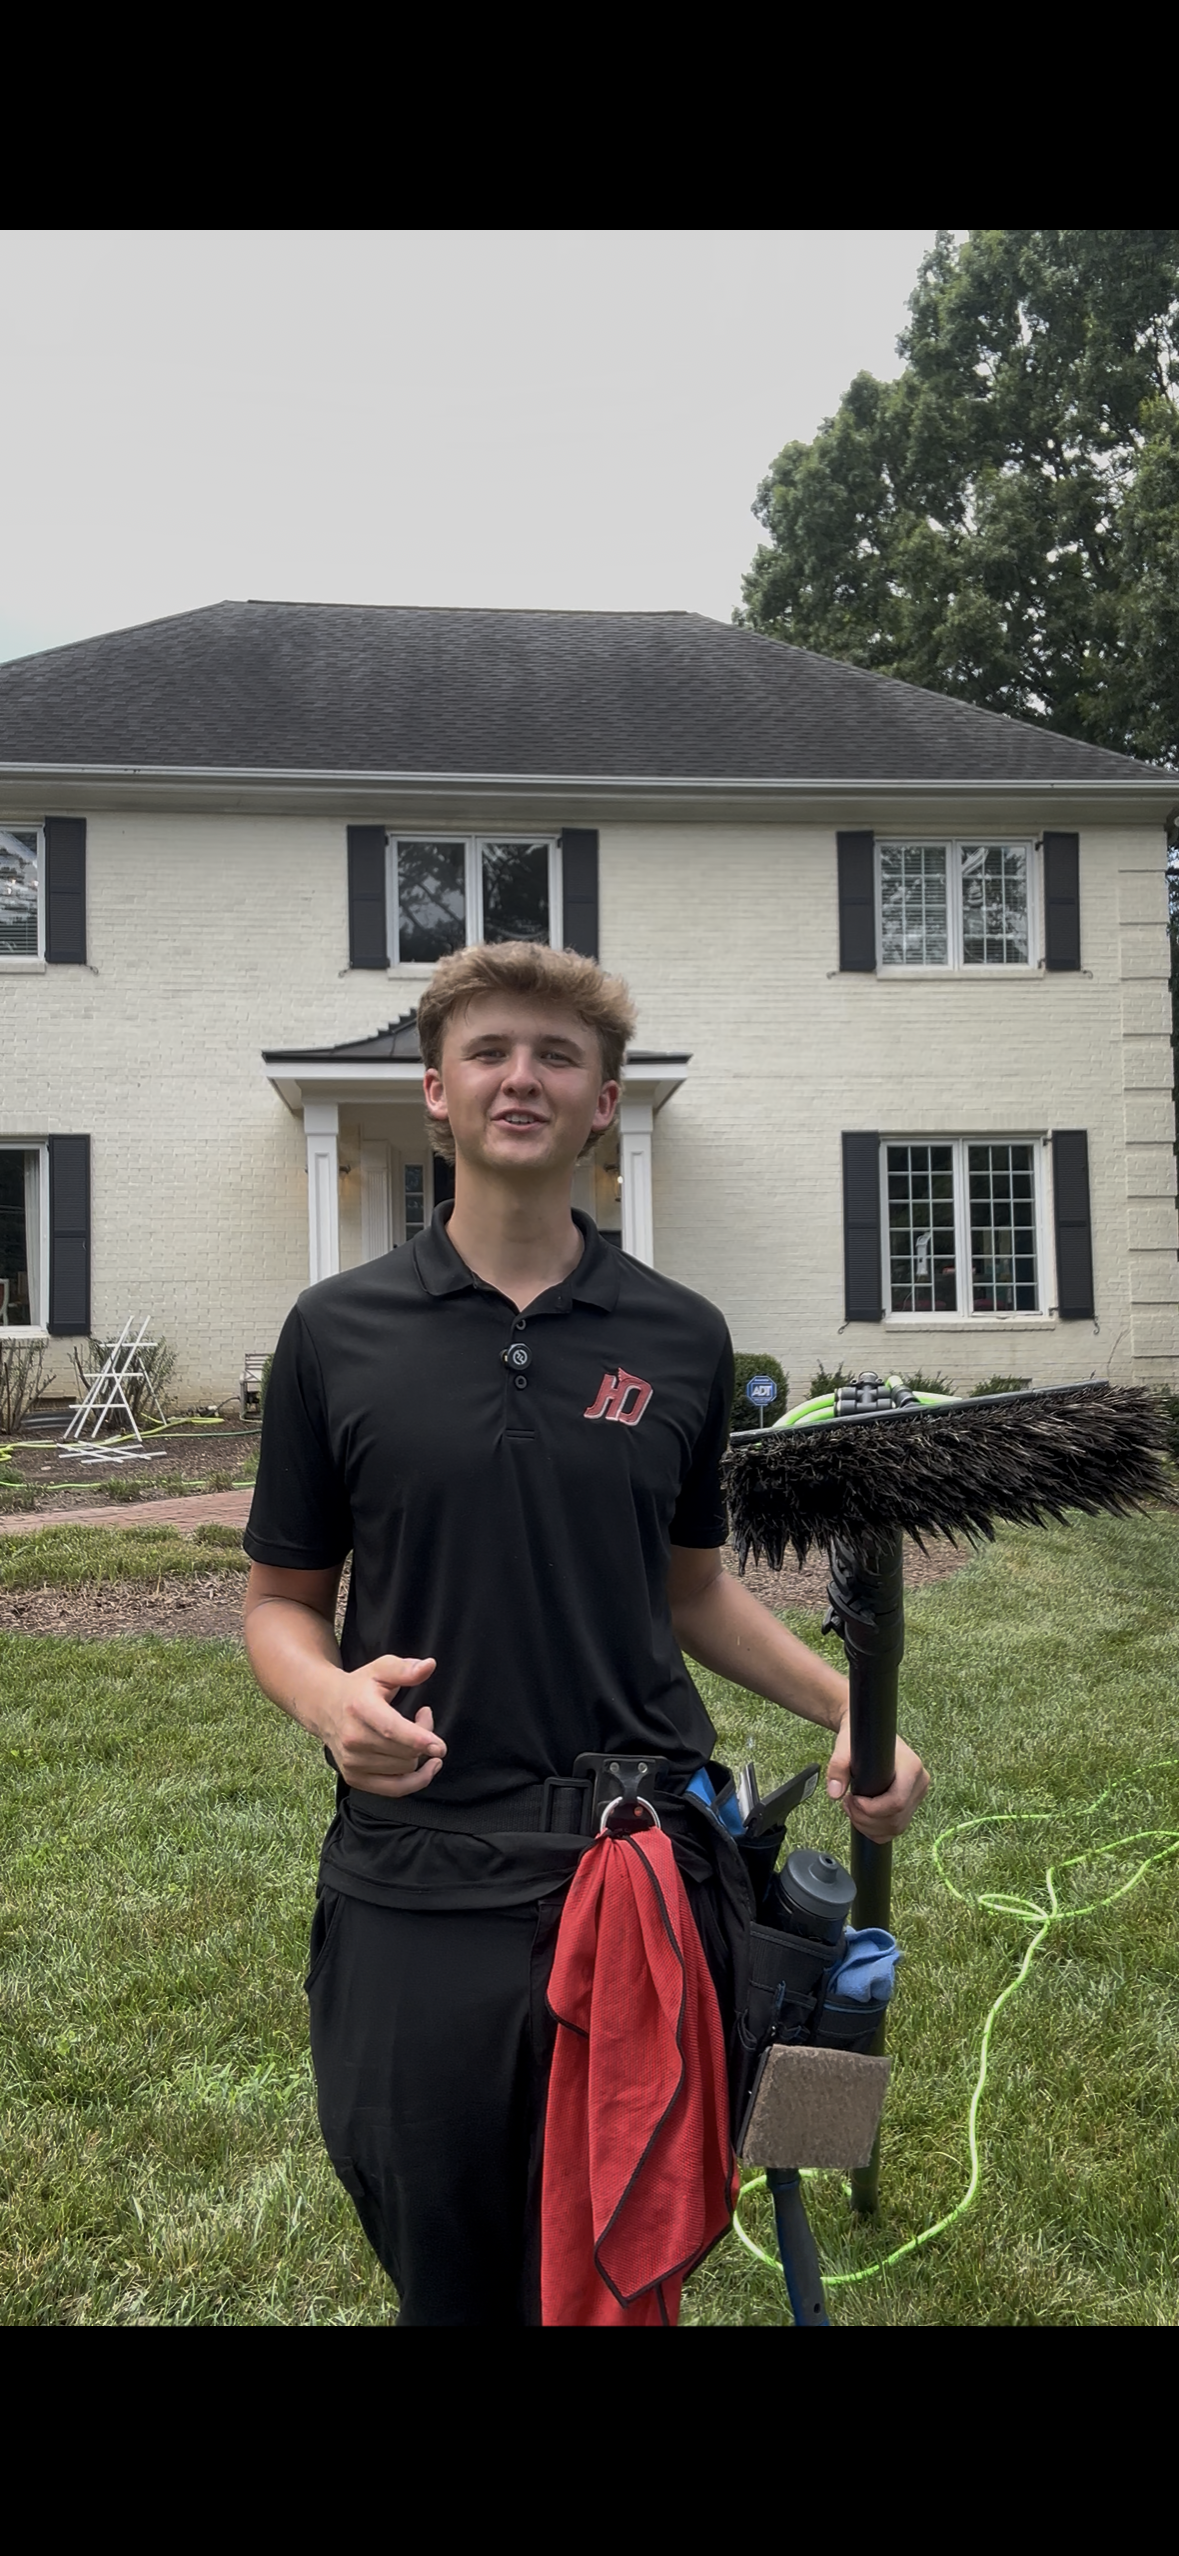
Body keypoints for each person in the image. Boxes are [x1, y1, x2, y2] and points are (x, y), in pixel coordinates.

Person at [243, 940, 928, 2325]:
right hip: (419, 1864)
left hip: (633, 1863)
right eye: (489, 1051)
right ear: (434, 1091)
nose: (520, 1077)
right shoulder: (335, 1332)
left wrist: (840, 1714)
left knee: (617, 2258)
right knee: (438, 2242)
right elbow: (279, 1607)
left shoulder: (676, 1335)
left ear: (602, 1102)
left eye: (556, 1057)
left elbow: (688, 1587)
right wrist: (324, 1702)